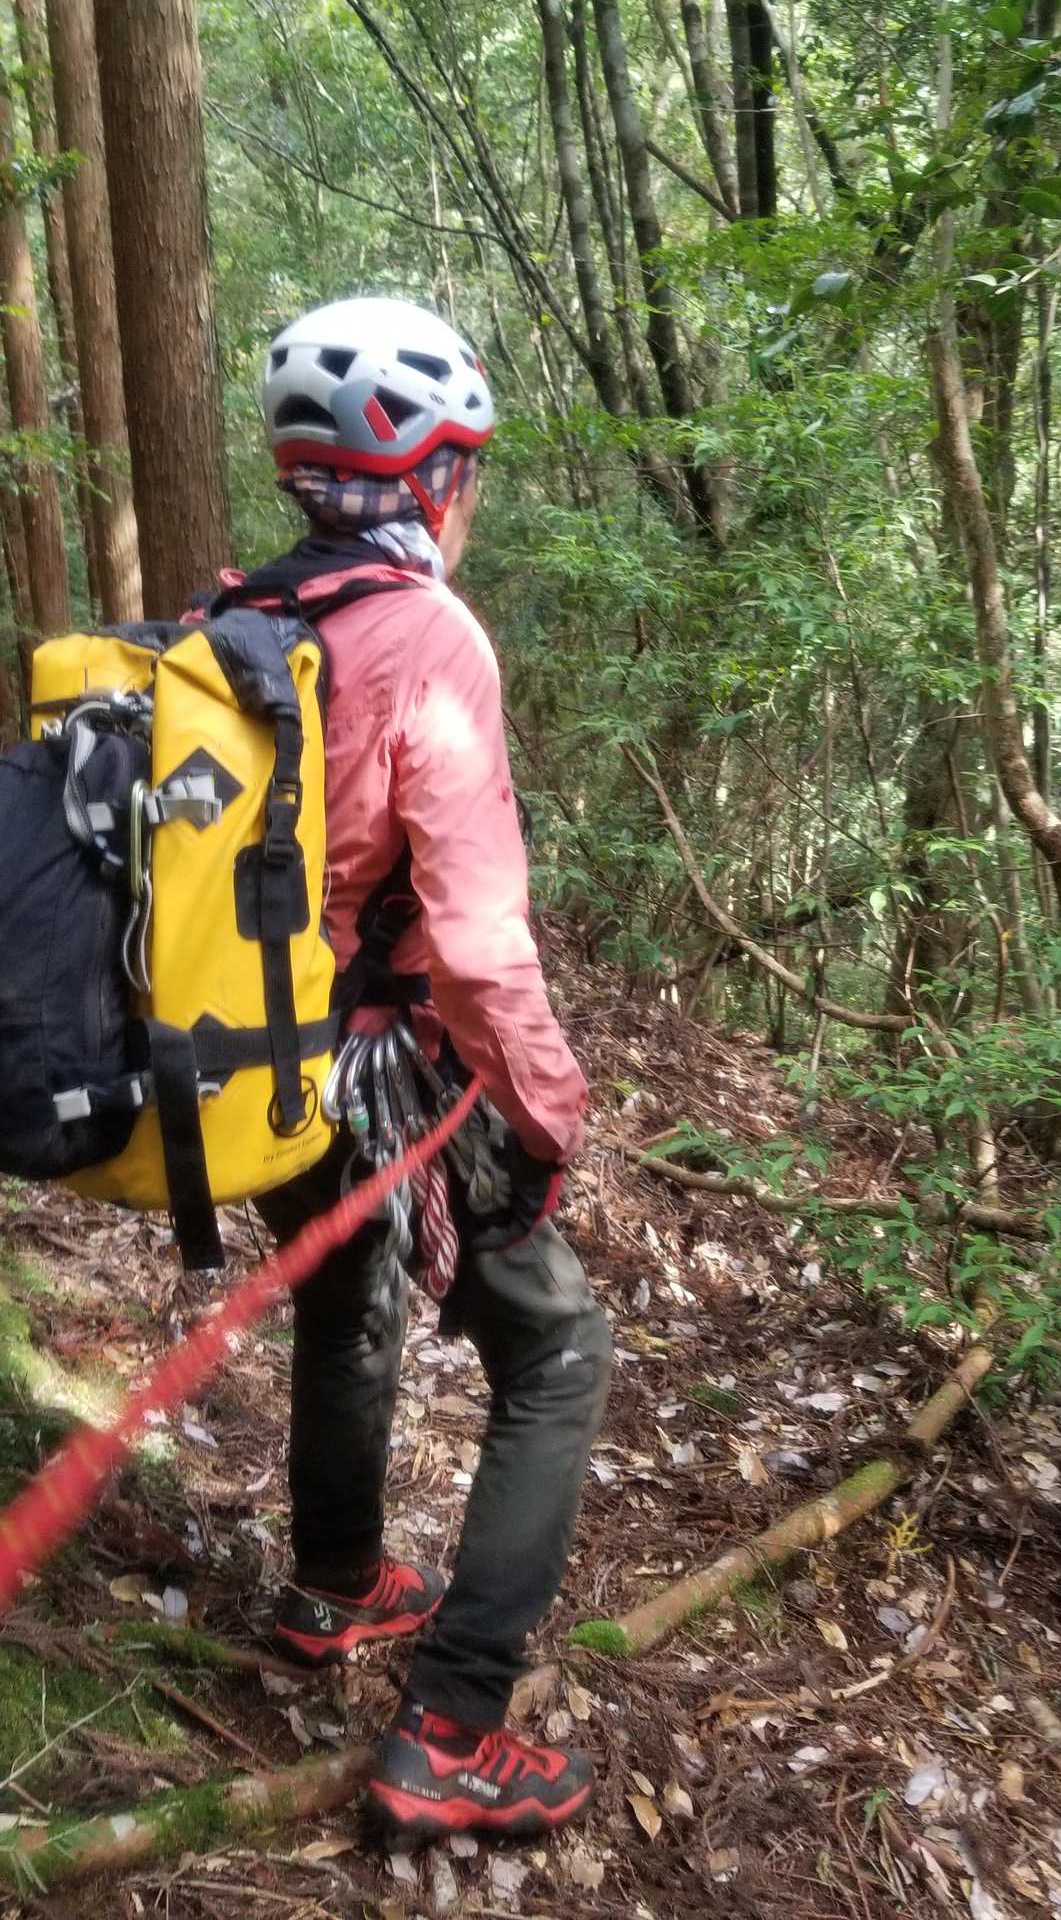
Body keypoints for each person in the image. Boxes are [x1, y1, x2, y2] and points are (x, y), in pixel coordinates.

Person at [251, 296, 612, 1840]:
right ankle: (454, 1725)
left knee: (347, 1299)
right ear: (435, 477)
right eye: (467, 469)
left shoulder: (244, 616)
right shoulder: (427, 637)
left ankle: (336, 1582)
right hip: (379, 1070)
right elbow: (474, 947)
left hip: (247, 1074)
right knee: (560, 1348)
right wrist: (546, 1116)